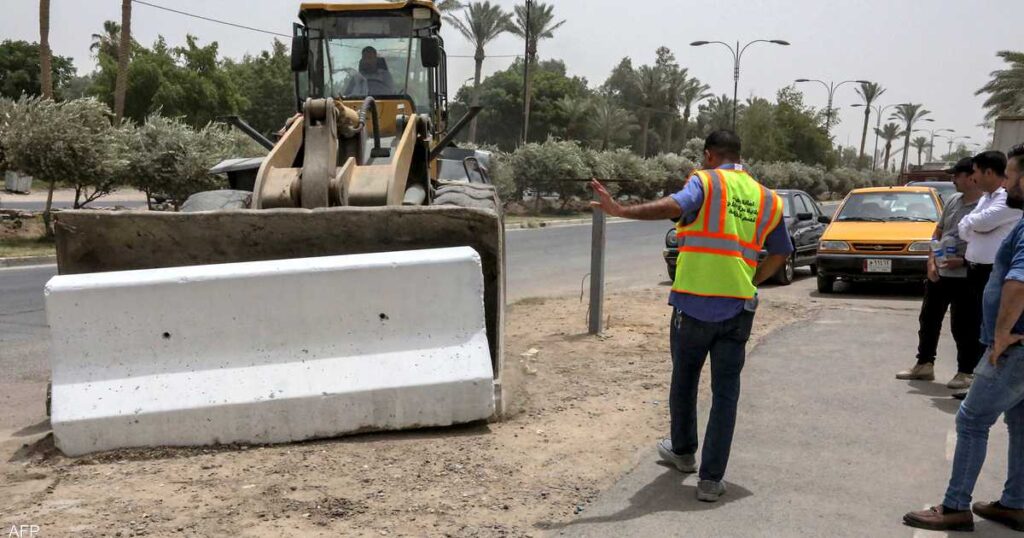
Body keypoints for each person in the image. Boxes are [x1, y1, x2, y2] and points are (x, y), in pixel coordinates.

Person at [590, 130, 792, 503]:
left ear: (709, 155)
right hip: (738, 308)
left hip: (694, 306)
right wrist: (751, 278)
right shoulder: (767, 198)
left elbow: (673, 205)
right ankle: (711, 481)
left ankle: (683, 452)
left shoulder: (707, 182)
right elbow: (781, 253)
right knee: (725, 393)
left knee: (684, 381)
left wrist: (620, 210)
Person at [903, 145, 1024, 532]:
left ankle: (955, 506)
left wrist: (1003, 334)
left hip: (1015, 347)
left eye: (1012, 175)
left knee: (971, 420)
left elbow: (1018, 281)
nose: (1006, 182)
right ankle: (1015, 503)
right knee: (1020, 423)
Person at [896, 158, 984, 387]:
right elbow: (937, 233)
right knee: (929, 319)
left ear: (972, 177)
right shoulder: (953, 201)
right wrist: (931, 263)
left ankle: (966, 371)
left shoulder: (985, 207)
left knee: (963, 325)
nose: (953, 180)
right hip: (940, 274)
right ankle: (924, 364)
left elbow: (989, 247)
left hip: (966, 276)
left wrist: (963, 261)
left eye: (957, 175)